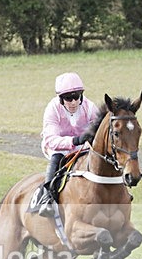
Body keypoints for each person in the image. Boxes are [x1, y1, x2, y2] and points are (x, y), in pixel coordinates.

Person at [38, 72, 100, 217]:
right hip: (57, 147)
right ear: (60, 99)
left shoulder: (90, 108)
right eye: (68, 98)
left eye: (76, 96)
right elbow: (50, 140)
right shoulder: (52, 109)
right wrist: (74, 141)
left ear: (81, 96)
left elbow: (100, 132)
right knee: (57, 157)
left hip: (83, 147)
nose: (73, 102)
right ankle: (48, 199)